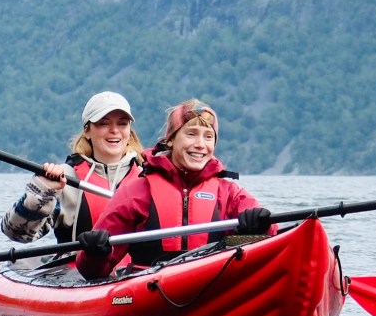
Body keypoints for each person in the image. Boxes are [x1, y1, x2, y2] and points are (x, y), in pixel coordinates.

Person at [74, 98, 275, 279]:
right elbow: (92, 271)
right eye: (191, 134)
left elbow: (272, 237)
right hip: (147, 288)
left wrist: (262, 225)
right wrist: (95, 252)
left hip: (210, 282)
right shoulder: (136, 192)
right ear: (170, 139)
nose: (200, 144)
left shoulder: (230, 193)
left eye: (208, 137)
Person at [1, 91, 144, 244]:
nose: (114, 130)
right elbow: (16, 234)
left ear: (129, 131)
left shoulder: (147, 177)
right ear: (87, 131)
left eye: (122, 123)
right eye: (103, 123)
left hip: (141, 268)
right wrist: (41, 194)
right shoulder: (66, 178)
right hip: (77, 267)